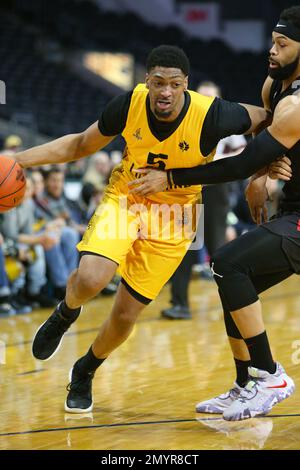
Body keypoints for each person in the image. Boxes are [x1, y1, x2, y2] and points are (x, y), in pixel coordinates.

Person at [14, 45, 268, 413]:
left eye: (175, 84)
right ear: (146, 81)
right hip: (127, 197)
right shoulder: (127, 105)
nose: (166, 91)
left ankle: (85, 369)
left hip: (177, 216)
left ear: (186, 85)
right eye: (158, 83)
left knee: (125, 314)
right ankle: (66, 312)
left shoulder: (214, 114)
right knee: (90, 278)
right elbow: (80, 144)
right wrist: (18, 160)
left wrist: (263, 171)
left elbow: (270, 120)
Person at [129, 6, 300, 420]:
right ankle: (245, 385)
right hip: (292, 208)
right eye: (272, 42)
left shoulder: (296, 105)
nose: (271, 51)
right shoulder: (272, 87)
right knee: (234, 282)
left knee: (225, 261)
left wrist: (173, 178)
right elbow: (261, 149)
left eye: (282, 45)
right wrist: (261, 179)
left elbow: (241, 161)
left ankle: (269, 375)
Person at [161, 80, 247, 320]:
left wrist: (218, 162)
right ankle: (180, 304)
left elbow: (242, 152)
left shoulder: (228, 124)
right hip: (188, 188)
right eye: (203, 96)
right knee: (184, 247)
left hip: (215, 188)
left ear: (218, 100)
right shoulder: (185, 121)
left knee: (216, 248)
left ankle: (236, 305)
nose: (207, 100)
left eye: (212, 97)